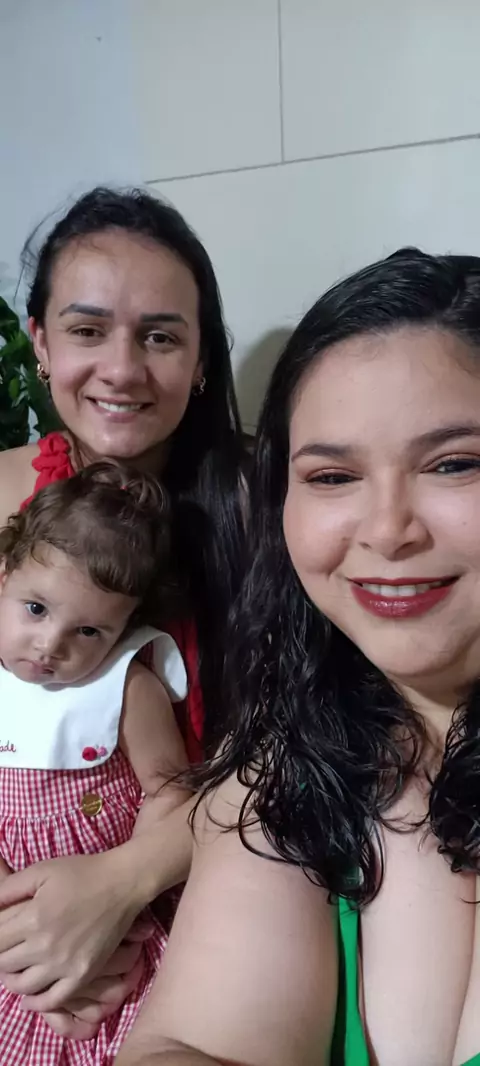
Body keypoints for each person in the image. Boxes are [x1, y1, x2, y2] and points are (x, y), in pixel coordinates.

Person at [118, 249, 480, 1066]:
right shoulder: (287, 768)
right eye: (333, 476)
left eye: (455, 463)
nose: (387, 531)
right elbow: (184, 1045)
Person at [0, 187, 245, 1037]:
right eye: (87, 329)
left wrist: (122, 884)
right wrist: (28, 938)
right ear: (40, 342)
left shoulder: (265, 504)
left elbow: (303, 743)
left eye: (161, 336)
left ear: (203, 358)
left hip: (229, 882)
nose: (122, 368)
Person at [0, 461, 194, 1062]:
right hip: (14, 915)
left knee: (122, 1021)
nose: (51, 645)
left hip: (119, 913)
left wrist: (120, 898)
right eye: (36, 608)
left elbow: (170, 792)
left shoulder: (129, 686)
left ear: (124, 628)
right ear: (4, 576)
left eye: (89, 631)